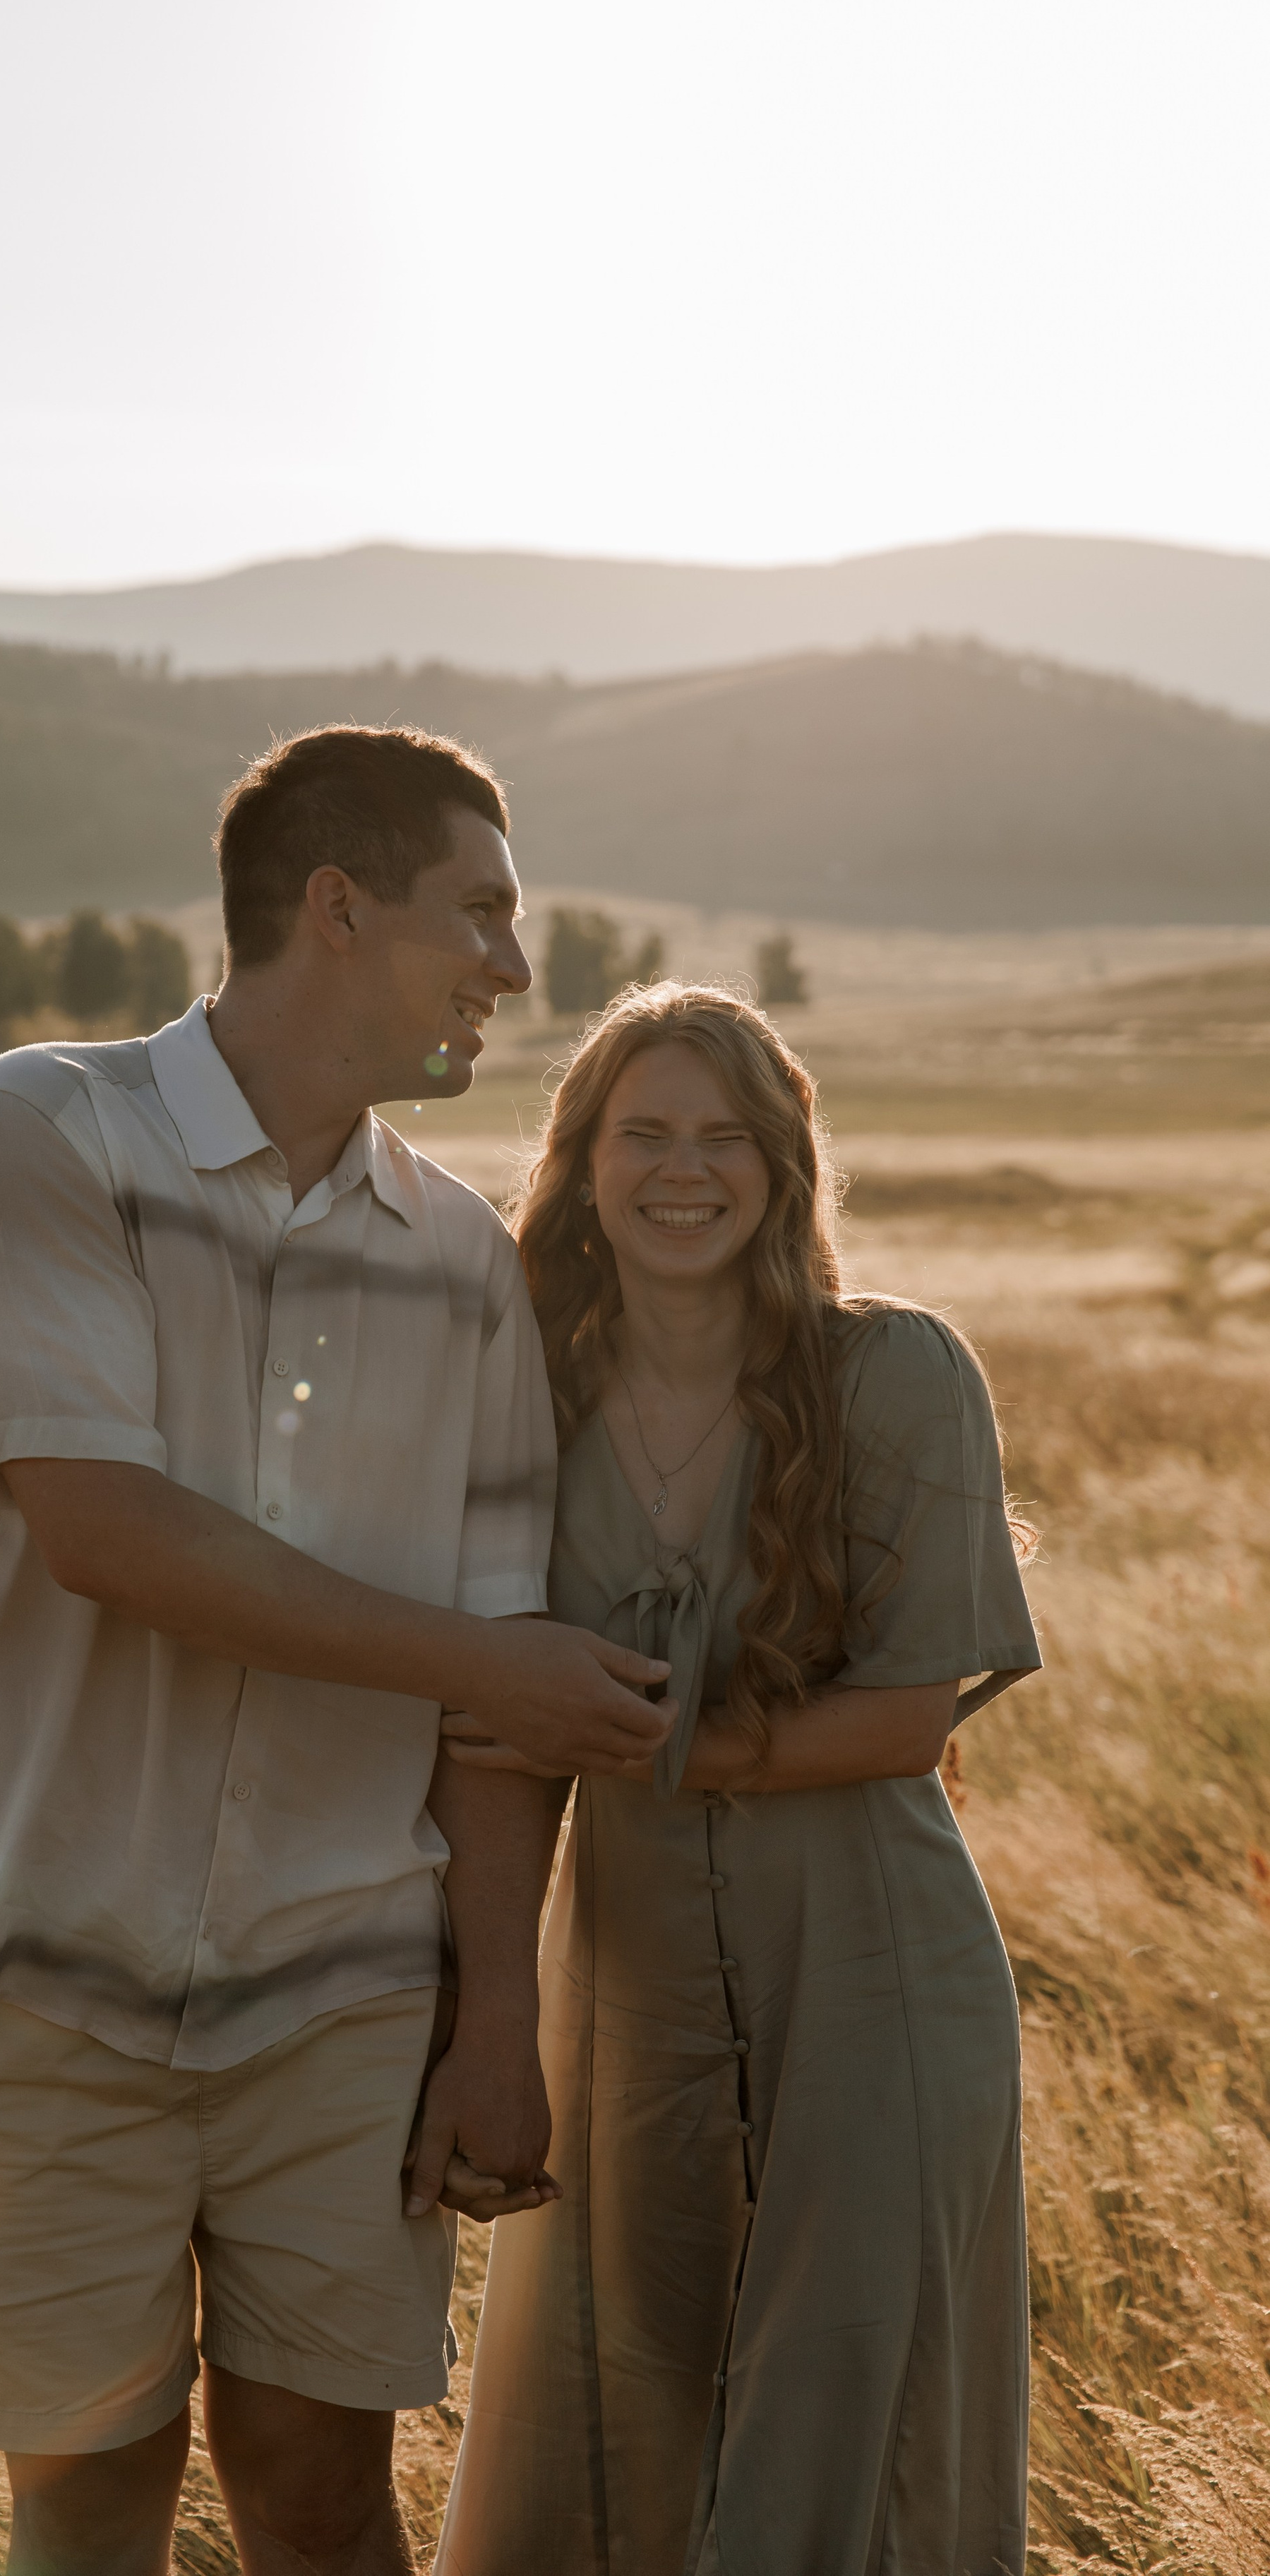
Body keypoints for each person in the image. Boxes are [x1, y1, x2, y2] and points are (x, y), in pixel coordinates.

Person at [0, 724, 673, 2576]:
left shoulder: (464, 1260)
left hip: (345, 1998)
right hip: (34, 1978)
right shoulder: (33, 1134)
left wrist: (497, 2020)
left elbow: (498, 1684)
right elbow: (104, 1530)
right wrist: (489, 1669)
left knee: (325, 2500)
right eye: (479, 913)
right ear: (336, 907)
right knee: (88, 2503)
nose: (513, 966)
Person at [435, 981, 1042, 2576]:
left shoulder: (894, 1378)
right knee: (615, 2420)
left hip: (876, 1983)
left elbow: (906, 1720)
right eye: (642, 1134)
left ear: (783, 1170)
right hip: (623, 1990)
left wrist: (626, 1738)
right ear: (580, 1165)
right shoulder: (518, 1408)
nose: (681, 1171)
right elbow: (486, 1755)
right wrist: (487, 2022)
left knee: (843, 2429)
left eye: (724, 1138)